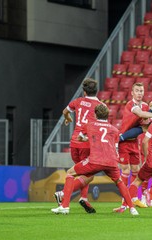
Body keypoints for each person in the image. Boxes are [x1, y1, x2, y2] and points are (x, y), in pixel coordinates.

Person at [51, 104, 139, 216]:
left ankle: (64, 206)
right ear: (108, 115)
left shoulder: (89, 125)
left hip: (95, 160)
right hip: (111, 161)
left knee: (70, 173)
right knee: (119, 182)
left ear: (95, 114)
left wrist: (89, 139)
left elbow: (80, 138)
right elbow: (115, 147)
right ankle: (132, 209)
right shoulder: (114, 130)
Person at [54, 78, 102, 214]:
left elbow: (65, 111)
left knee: (81, 171)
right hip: (87, 143)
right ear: (96, 91)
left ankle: (84, 198)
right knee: (89, 175)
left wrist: (68, 119)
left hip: (75, 143)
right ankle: (63, 194)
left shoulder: (79, 101)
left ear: (84, 92)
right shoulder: (100, 105)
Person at [118, 83, 152, 188]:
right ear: (132, 93)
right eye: (137, 91)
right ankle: (124, 202)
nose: (139, 93)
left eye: (141, 91)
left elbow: (146, 122)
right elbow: (141, 114)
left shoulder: (145, 106)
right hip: (124, 141)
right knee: (126, 170)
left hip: (134, 141)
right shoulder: (131, 105)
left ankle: (132, 198)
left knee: (136, 170)